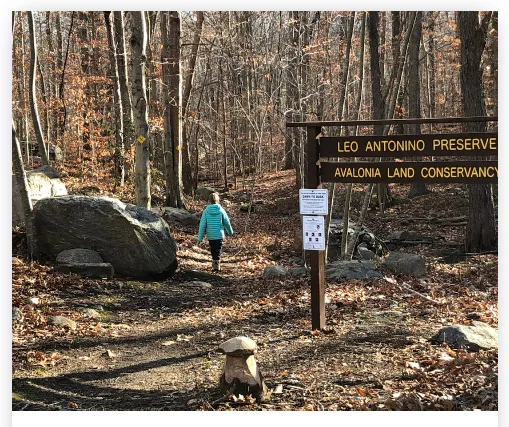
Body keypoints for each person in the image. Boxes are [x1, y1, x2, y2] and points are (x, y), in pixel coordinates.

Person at [197, 192, 233, 272]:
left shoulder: (206, 211)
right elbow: (226, 222)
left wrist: (199, 238)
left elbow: (202, 225)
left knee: (213, 249)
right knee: (218, 248)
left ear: (209, 201)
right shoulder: (221, 210)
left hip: (211, 235)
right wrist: (230, 232)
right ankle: (217, 264)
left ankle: (214, 263)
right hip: (219, 234)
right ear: (218, 200)